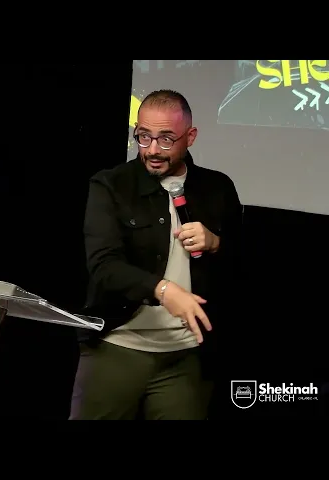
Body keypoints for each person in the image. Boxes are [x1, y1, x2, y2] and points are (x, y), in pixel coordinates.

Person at [70, 90, 242, 420]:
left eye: (166, 139)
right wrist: (163, 290)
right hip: (117, 345)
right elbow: (104, 266)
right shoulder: (111, 185)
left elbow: (242, 265)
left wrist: (216, 242)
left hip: (186, 356)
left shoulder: (217, 188)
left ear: (190, 137)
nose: (151, 150)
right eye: (143, 136)